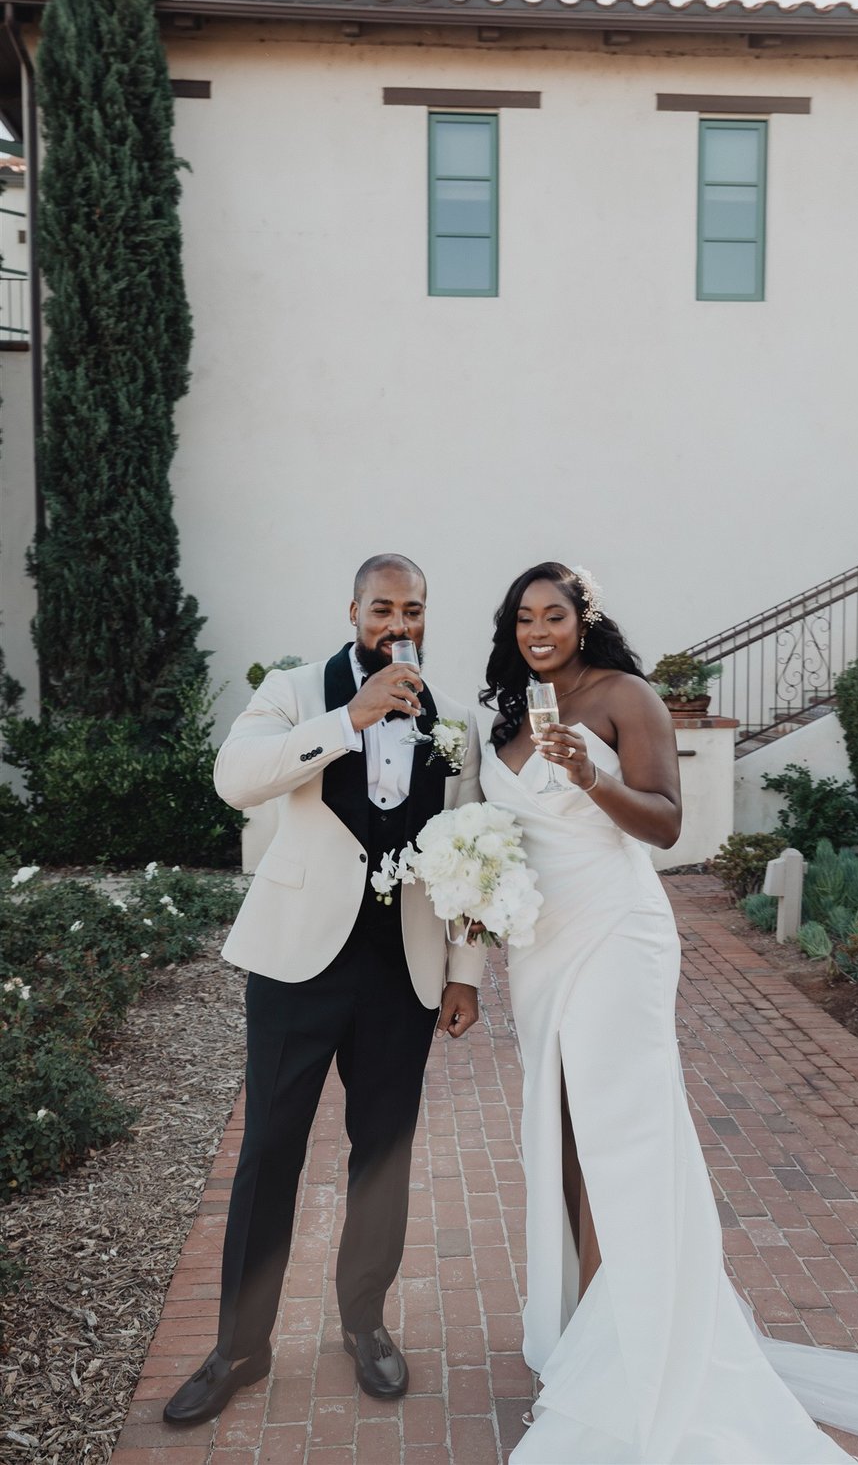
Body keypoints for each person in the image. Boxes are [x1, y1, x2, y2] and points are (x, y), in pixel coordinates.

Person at [478, 561, 858, 1465]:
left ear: (582, 619)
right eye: (523, 618)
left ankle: (632, 1348)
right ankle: (582, 1326)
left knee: (620, 1137)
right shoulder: (515, 707)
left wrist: (589, 779)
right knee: (558, 1130)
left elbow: (668, 825)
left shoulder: (623, 695)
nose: (537, 631)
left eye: (552, 616)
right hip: (540, 949)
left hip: (615, 937)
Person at [164, 554, 484, 1426]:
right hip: (296, 962)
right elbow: (237, 778)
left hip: (403, 969)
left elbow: (473, 855)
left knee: (383, 1155)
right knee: (270, 1152)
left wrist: (465, 973)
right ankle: (238, 1347)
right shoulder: (295, 691)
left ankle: (365, 1325)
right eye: (382, 607)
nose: (398, 623)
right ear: (354, 611)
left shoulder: (456, 718)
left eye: (413, 607)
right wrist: (350, 718)